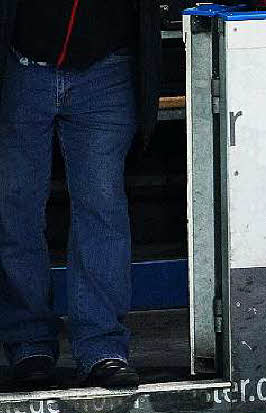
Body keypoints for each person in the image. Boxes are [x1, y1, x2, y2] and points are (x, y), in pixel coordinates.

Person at [0, 0, 161, 390]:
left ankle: (102, 347)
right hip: (20, 66)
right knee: (16, 208)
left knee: (102, 209)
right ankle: (28, 342)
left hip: (107, 68)